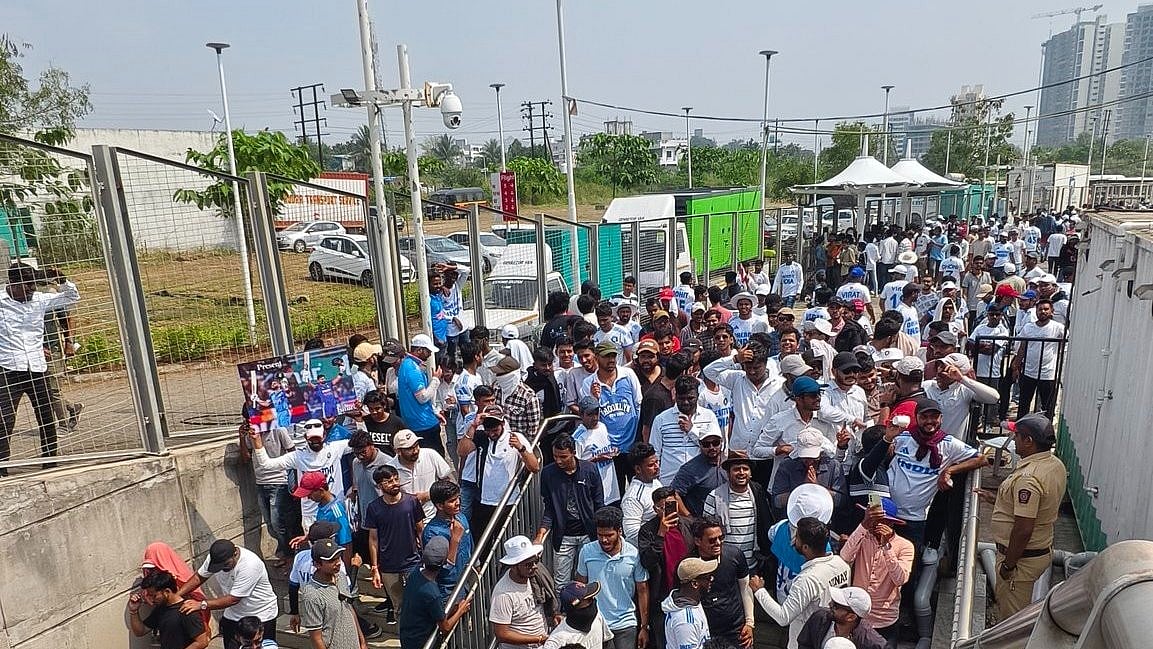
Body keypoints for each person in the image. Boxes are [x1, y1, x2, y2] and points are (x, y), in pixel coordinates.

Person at [981, 414, 1067, 620]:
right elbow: (1037, 507)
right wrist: (997, 500)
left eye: (1017, 435)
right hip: (1038, 551)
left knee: (1012, 621)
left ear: (1028, 441)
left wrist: (1008, 566)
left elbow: (1023, 529)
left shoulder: (1028, 478)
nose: (1013, 439)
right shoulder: (1054, 464)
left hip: (1021, 561)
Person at [0, 263, 80, 470]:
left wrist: (62, 279)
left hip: (37, 368)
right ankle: (2, 467)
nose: (31, 290)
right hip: (8, 369)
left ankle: (49, 462)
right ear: (13, 283)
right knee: (4, 420)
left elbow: (72, 297)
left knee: (46, 417)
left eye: (34, 285)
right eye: (27, 286)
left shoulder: (39, 299)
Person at [748, 517, 851, 649]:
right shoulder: (842, 564)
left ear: (805, 547)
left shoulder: (807, 579)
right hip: (830, 637)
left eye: (796, 538)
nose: (793, 541)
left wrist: (759, 591)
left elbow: (783, 617)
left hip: (804, 641)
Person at [175, 539, 279, 649]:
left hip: (260, 613)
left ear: (235, 554)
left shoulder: (250, 565)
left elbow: (233, 599)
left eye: (226, 564)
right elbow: (199, 577)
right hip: (234, 614)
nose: (222, 568)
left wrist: (202, 605)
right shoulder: (216, 559)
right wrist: (177, 595)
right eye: (219, 566)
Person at [575, 507, 651, 649]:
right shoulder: (586, 552)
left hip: (626, 625)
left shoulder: (633, 554)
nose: (604, 540)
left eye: (609, 535)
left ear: (619, 531)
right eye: (600, 535)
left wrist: (644, 627)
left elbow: (642, 591)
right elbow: (580, 587)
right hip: (596, 624)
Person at [536, 434, 605, 587]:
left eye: (563, 457)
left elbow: (599, 503)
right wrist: (540, 535)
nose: (558, 461)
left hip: (588, 534)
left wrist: (601, 531)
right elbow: (549, 507)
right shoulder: (548, 473)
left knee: (591, 578)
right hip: (563, 536)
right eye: (555, 456)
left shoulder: (589, 470)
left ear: (573, 453)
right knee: (561, 582)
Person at [839, 504, 914, 644]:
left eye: (877, 520)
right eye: (872, 519)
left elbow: (900, 579)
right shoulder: (863, 537)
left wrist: (887, 547)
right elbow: (844, 557)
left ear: (890, 523)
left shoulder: (905, 546)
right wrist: (863, 524)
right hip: (858, 616)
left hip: (884, 620)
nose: (873, 524)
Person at [465, 405, 540, 541]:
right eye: (488, 430)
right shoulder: (481, 436)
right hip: (482, 501)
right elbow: (462, 451)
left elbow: (535, 467)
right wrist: (473, 426)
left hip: (507, 502)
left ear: (503, 423)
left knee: (506, 541)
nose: (492, 434)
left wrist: (521, 448)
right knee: (482, 541)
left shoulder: (516, 437)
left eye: (495, 430)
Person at [363, 464, 422, 620]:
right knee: (398, 606)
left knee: (418, 601)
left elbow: (420, 530)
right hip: (388, 565)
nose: (394, 483)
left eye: (396, 479)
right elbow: (373, 539)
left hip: (412, 562)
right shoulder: (374, 508)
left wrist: (425, 557)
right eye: (389, 481)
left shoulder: (412, 502)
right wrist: (375, 567)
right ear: (379, 485)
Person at [584, 341, 645, 491]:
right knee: (615, 492)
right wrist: (594, 398)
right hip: (609, 450)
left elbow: (638, 403)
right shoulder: (589, 383)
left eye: (613, 356)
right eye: (606, 356)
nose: (611, 360)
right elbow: (590, 418)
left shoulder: (628, 375)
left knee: (638, 487)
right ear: (597, 357)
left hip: (632, 445)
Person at [686, 515, 753, 648]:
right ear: (698, 541)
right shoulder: (689, 565)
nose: (718, 543)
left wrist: (750, 623)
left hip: (737, 631)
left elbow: (745, 588)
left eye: (721, 538)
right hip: (707, 632)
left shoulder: (735, 555)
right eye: (712, 540)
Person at [237, 420, 295, 566]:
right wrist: (242, 437)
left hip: (279, 482)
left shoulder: (278, 430)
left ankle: (288, 555)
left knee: (277, 523)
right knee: (270, 524)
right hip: (261, 482)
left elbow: (292, 452)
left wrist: (292, 479)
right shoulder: (250, 434)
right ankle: (285, 551)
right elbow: (245, 458)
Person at [397, 536, 473, 649]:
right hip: (422, 643)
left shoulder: (414, 574)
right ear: (444, 561)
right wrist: (461, 610)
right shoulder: (432, 594)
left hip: (406, 636)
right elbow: (445, 628)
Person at [703, 454, 771, 571]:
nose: (741, 472)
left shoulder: (758, 494)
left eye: (745, 469)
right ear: (728, 473)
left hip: (752, 565)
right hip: (724, 565)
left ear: (750, 473)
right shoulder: (714, 496)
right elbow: (706, 530)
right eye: (736, 469)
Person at [299, 539, 366, 649]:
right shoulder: (312, 595)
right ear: (317, 564)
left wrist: (362, 642)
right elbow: (316, 638)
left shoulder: (341, 577)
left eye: (338, 558)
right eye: (331, 560)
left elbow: (349, 609)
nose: (338, 563)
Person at [491, 536, 552, 649]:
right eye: (528, 564)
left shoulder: (535, 578)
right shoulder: (503, 594)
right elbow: (502, 634)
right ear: (514, 566)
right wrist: (538, 639)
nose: (534, 567)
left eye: (536, 561)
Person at [128, 569, 211, 649]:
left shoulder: (187, 610)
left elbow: (202, 642)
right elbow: (140, 631)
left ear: (167, 592)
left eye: (154, 596)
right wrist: (134, 611)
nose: (152, 600)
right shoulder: (160, 609)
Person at [1011, 299, 1065, 419]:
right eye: (1040, 309)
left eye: (1046, 309)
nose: (1043, 311)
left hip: (1048, 374)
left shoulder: (1058, 327)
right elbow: (1022, 348)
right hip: (1029, 372)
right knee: (1024, 405)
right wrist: (1015, 367)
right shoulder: (1028, 327)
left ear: (1052, 311)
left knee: (1047, 406)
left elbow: (1065, 345)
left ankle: (1046, 428)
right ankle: (1021, 428)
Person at [387, 429, 455, 520]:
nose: (415, 451)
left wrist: (428, 495)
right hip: (405, 519)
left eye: (416, 445)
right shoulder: (390, 468)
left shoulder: (430, 454)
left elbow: (449, 483)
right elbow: (387, 498)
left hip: (433, 517)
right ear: (398, 451)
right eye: (409, 448)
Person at [397, 333, 447, 457]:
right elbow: (422, 397)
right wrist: (436, 380)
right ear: (419, 350)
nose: (430, 354)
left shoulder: (406, 365)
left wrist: (434, 411)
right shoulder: (412, 369)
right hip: (424, 423)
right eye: (428, 351)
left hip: (416, 421)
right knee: (436, 457)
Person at [422, 479, 473, 598]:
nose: (457, 503)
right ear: (440, 505)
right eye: (452, 501)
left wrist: (476, 566)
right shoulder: (432, 532)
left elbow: (470, 544)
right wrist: (455, 540)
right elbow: (438, 568)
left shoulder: (461, 518)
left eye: (458, 498)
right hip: (448, 588)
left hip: (467, 579)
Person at [795, 587, 885, 649]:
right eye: (832, 601)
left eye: (835, 606)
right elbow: (804, 644)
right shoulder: (819, 618)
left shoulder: (871, 642)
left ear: (851, 617)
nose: (829, 604)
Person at [573, 395, 620, 506]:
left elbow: (605, 447)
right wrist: (596, 459)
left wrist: (613, 450)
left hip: (611, 488)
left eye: (596, 413)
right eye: (590, 414)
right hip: (594, 489)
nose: (594, 418)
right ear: (581, 415)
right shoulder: (578, 438)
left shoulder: (602, 427)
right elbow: (575, 466)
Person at [661, 557, 717, 649]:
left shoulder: (693, 602)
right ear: (694, 584)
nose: (712, 579)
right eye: (707, 578)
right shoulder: (686, 622)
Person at [673, 425, 727, 518]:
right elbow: (674, 494)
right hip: (702, 522)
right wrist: (689, 518)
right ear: (700, 444)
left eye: (715, 443)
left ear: (721, 442)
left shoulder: (730, 464)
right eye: (706, 444)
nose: (711, 447)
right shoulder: (689, 469)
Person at [542, 582, 615, 649]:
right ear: (576, 606)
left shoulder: (596, 616)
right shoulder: (556, 642)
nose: (593, 601)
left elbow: (607, 642)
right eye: (589, 599)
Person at [622, 442, 662, 545]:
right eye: (651, 465)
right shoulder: (632, 498)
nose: (657, 467)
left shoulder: (655, 482)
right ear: (638, 469)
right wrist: (658, 538)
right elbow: (632, 534)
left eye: (657, 462)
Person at [358, 389, 407, 454]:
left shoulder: (397, 422)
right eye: (371, 409)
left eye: (377, 408)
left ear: (384, 406)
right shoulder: (365, 421)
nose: (374, 412)